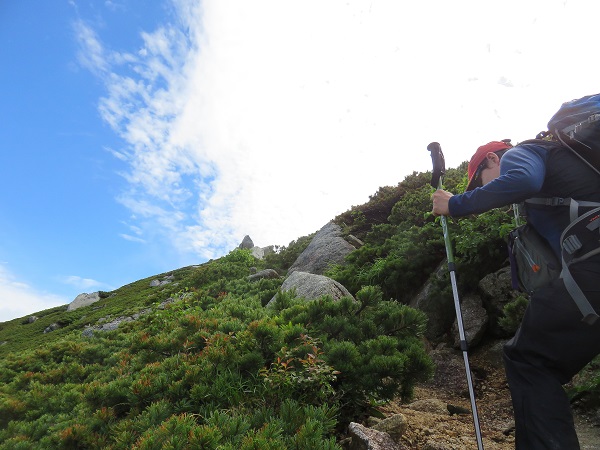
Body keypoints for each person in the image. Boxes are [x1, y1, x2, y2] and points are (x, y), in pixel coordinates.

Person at [431, 139, 600, 449]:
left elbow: (522, 180)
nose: (476, 191)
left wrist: (456, 204)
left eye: (477, 182)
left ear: (492, 159)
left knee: (528, 360)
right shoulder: (564, 172)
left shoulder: (523, 153)